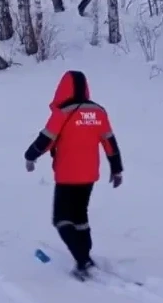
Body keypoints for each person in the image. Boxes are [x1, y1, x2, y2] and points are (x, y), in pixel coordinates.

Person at [24, 70, 123, 278]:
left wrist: (30, 156)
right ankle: (85, 255)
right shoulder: (99, 112)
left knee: (61, 220)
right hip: (89, 176)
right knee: (80, 217)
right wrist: (117, 169)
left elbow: (45, 139)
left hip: (67, 175)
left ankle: (82, 260)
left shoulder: (63, 113)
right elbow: (109, 142)